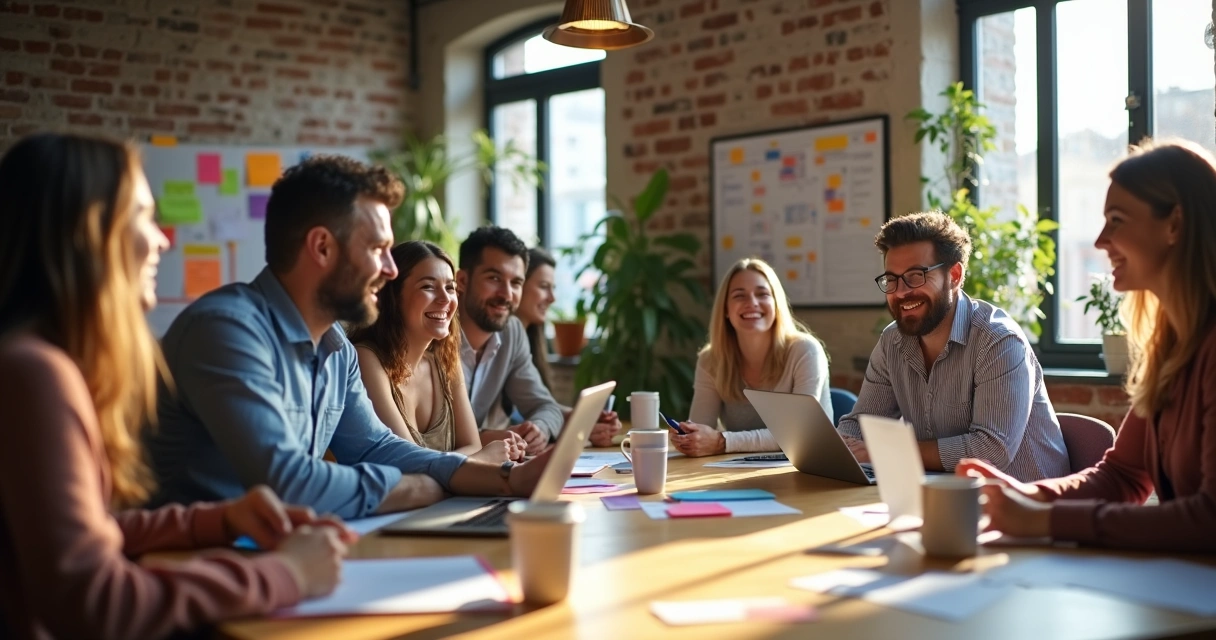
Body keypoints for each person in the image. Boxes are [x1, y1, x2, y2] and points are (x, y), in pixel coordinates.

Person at [0, 133, 353, 639]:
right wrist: (286, 574)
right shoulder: (34, 373)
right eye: (143, 216)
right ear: (89, 233)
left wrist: (217, 520)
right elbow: (93, 600)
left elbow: (87, 534)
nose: (163, 239)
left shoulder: (33, 363)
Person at [146, 156, 551, 520]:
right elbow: (287, 483)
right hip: (190, 560)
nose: (391, 270)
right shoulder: (227, 331)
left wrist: (506, 479)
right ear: (322, 247)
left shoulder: (336, 349)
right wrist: (421, 487)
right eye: (377, 249)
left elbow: (377, 448)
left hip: (275, 548)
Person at [959, 139, 1216, 551]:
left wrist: (1045, 520)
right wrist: (1028, 496)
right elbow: (1121, 476)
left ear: (1174, 225)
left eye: (1116, 220)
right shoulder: (1170, 348)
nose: (1100, 240)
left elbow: (1209, 518)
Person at [837, 211, 1070, 481]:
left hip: (1025, 499)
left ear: (955, 275)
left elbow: (991, 451)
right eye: (891, 279)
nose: (900, 292)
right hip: (944, 492)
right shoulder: (893, 342)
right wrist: (837, 446)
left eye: (915, 276)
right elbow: (863, 424)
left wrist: (883, 451)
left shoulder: (998, 340)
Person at [348, 241, 526, 461]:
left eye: (450, 288)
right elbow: (409, 461)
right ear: (393, 296)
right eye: (428, 287)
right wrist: (481, 458)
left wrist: (478, 454)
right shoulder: (366, 359)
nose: (445, 299)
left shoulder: (445, 360)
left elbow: (473, 444)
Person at [457, 227, 616, 454]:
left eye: (516, 283)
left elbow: (544, 406)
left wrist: (539, 429)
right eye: (494, 278)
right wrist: (489, 438)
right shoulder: (435, 335)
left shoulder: (511, 332)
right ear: (462, 281)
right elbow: (427, 436)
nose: (506, 294)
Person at [673, 258, 832, 457]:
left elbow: (798, 434)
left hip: (810, 468)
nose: (752, 303)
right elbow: (701, 427)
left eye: (762, 294)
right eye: (739, 296)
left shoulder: (805, 351)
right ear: (726, 310)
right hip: (740, 469)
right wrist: (689, 438)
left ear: (776, 304)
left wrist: (722, 442)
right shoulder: (711, 360)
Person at [517, 246, 621, 447]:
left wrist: (585, 420)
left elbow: (541, 407)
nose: (552, 298)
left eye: (553, 288)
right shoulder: (495, 343)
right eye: (543, 286)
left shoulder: (528, 341)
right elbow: (516, 419)